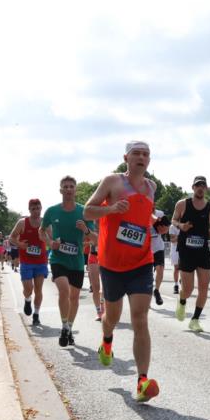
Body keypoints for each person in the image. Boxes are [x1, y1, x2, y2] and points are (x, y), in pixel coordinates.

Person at [83, 140, 160, 403]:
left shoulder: (152, 187)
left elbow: (142, 218)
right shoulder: (112, 182)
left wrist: (154, 223)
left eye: (146, 154)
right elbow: (88, 210)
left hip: (141, 261)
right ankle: (106, 340)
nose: (141, 157)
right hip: (112, 263)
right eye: (136, 153)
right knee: (112, 317)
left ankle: (142, 380)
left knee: (140, 318)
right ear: (126, 157)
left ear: (149, 160)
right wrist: (111, 209)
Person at [42, 175, 92, 348]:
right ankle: (64, 326)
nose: (69, 189)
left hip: (76, 261)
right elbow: (42, 231)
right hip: (58, 258)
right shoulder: (52, 211)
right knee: (64, 291)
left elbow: (94, 237)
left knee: (75, 297)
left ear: (75, 190)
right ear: (60, 190)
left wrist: (85, 230)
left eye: (72, 186)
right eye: (66, 186)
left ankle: (70, 327)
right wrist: (50, 243)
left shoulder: (84, 212)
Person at [172, 176, 210, 332]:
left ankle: (195, 320)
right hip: (186, 251)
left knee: (204, 287)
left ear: (206, 188)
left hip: (202, 252)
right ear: (193, 188)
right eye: (197, 185)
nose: (200, 188)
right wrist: (181, 225)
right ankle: (182, 300)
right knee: (188, 290)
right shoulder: (182, 204)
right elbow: (173, 220)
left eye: (203, 185)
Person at [9, 199, 49, 327]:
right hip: (26, 261)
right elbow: (11, 237)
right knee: (28, 288)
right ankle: (27, 300)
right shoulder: (22, 223)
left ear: (41, 208)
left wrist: (48, 239)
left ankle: (36, 314)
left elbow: (52, 239)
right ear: (29, 210)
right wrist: (20, 244)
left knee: (38, 289)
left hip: (41, 261)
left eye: (38, 208)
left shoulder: (45, 223)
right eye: (33, 209)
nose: (36, 211)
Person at [150, 210, 169, 306]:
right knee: (147, 276)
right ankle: (147, 295)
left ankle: (156, 290)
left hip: (158, 248)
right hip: (146, 250)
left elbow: (167, 228)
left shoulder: (160, 214)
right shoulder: (140, 213)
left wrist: (163, 229)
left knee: (160, 269)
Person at [84, 222, 103, 320]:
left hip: (105, 257)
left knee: (105, 287)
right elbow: (82, 241)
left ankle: (103, 307)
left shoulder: (108, 224)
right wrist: (89, 242)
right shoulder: (90, 226)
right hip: (93, 256)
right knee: (96, 287)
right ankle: (99, 311)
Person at [168, 221, 181, 294]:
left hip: (185, 248)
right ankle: (176, 285)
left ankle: (182, 280)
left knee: (184, 268)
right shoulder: (172, 227)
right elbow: (172, 240)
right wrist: (181, 235)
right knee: (176, 268)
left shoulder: (186, 224)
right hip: (175, 249)